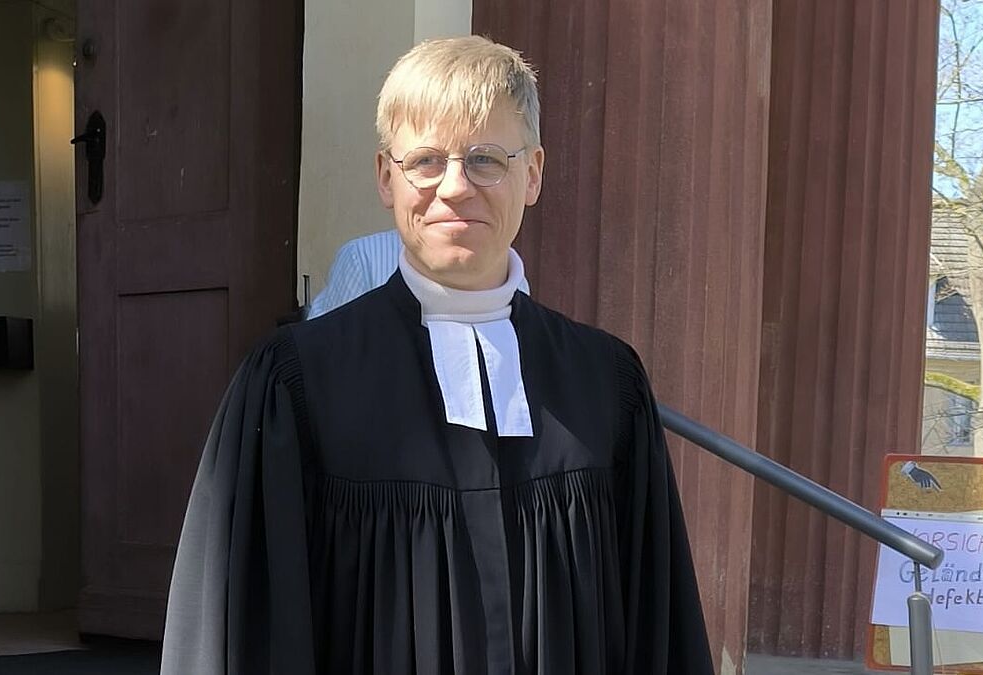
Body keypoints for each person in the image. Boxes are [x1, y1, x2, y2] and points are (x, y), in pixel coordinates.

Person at [161, 35, 713, 675]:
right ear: (384, 177)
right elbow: (244, 632)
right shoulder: (297, 384)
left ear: (532, 174)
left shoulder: (606, 384)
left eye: (486, 159)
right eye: (425, 161)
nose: (455, 187)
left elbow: (657, 630)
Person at [307, 228, 530, 319]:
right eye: (427, 161)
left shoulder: (509, 275)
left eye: (481, 160)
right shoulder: (364, 259)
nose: (455, 188)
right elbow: (323, 362)